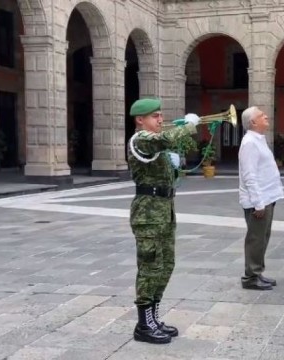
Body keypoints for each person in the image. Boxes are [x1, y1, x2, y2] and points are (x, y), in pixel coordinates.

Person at [127, 97, 200, 344]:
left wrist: (174, 164)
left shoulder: (155, 145)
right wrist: (188, 125)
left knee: (166, 265)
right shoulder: (141, 139)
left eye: (160, 115)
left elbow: (168, 168)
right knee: (150, 268)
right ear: (140, 120)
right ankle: (143, 325)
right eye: (155, 116)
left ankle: (153, 318)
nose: (161, 119)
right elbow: (166, 139)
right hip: (148, 215)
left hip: (164, 211)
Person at [238, 106, 284, 291]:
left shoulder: (258, 140)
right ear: (253, 122)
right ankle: (250, 277)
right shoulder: (249, 142)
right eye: (261, 115)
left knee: (263, 237)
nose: (266, 116)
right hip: (258, 200)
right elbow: (249, 175)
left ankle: (257, 272)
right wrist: (258, 203)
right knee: (256, 238)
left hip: (267, 196)